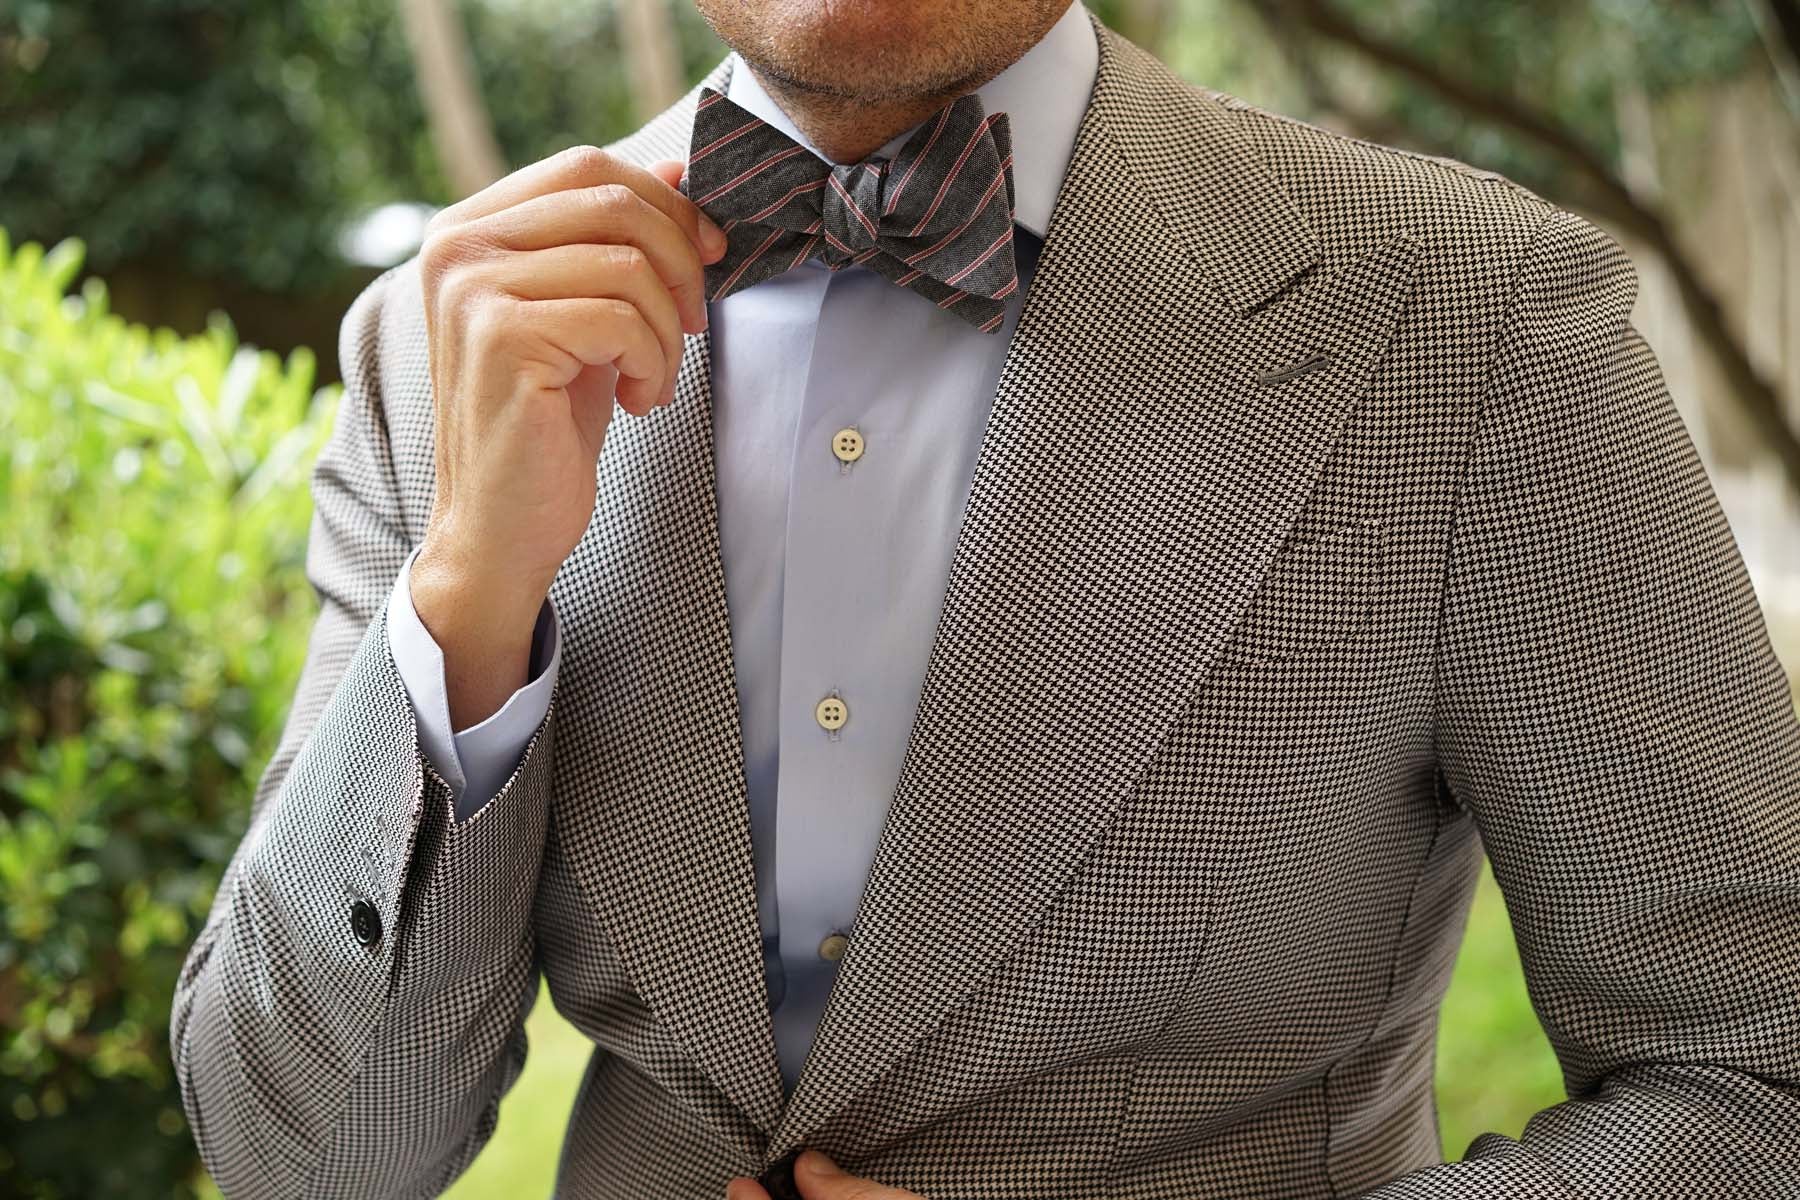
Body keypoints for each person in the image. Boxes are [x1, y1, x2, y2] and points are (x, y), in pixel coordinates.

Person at [170, 0, 1800, 1196]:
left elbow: (1757, 1076)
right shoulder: (431, 344)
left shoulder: (1474, 318)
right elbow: (310, 1160)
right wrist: (468, 597)